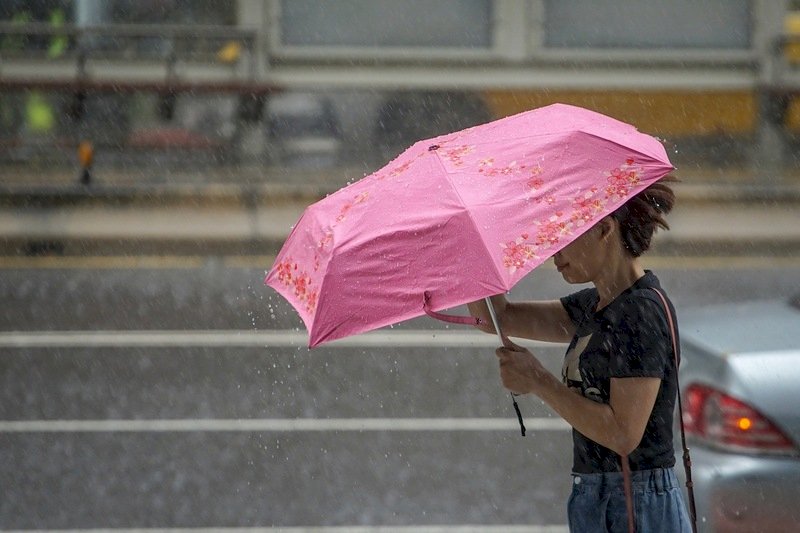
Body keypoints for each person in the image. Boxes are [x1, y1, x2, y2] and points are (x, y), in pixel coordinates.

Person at [467, 177, 692, 532]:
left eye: (564, 238)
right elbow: (497, 318)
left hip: (634, 501)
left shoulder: (639, 312)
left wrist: (539, 381)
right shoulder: (596, 306)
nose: (555, 254)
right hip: (599, 496)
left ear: (604, 229)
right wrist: (478, 245)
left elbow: (623, 434)